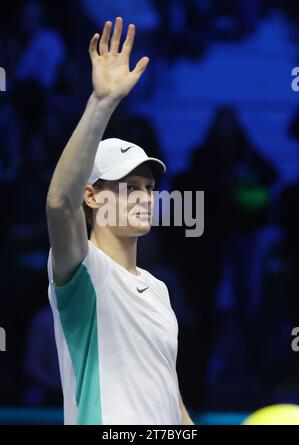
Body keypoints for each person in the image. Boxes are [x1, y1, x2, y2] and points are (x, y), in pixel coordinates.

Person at [45, 17, 193, 425]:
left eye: (148, 186)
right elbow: (59, 203)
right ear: (91, 195)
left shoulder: (159, 289)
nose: (145, 196)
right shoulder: (84, 270)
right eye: (129, 186)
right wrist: (102, 102)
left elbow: (169, 397)